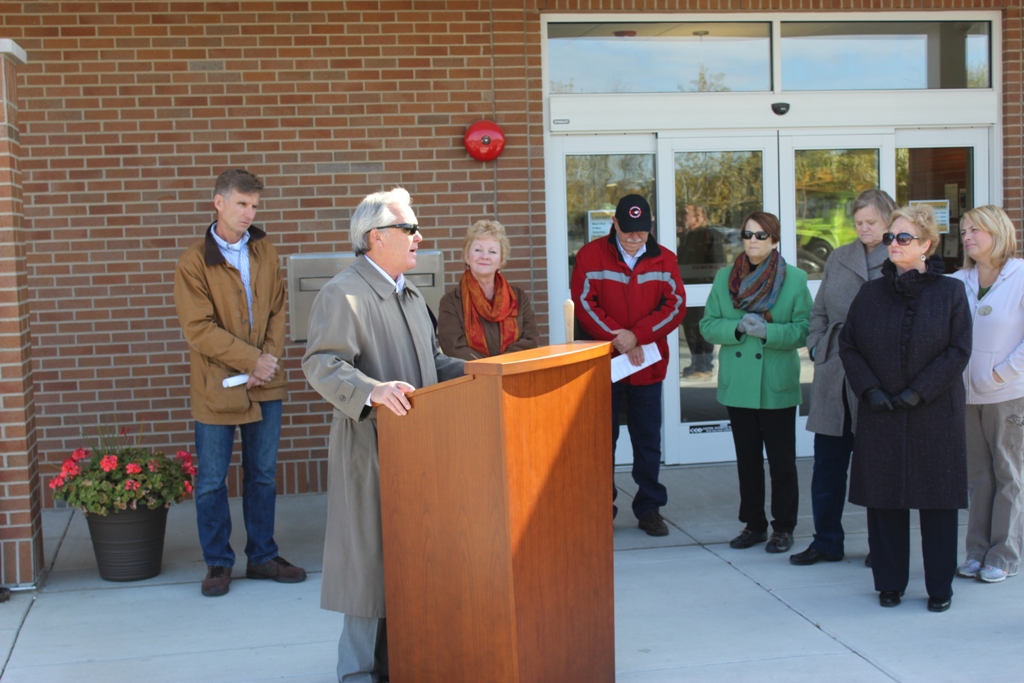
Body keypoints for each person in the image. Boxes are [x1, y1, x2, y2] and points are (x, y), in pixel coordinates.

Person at [302, 187, 464, 683]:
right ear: (376, 237)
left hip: (418, 453)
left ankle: (401, 665)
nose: (420, 237)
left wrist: (483, 372)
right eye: (409, 228)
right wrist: (372, 391)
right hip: (370, 452)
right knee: (369, 568)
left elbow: (432, 363)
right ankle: (356, 673)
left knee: (409, 563)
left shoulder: (410, 296)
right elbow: (322, 364)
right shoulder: (343, 294)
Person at [174, 169, 306, 597]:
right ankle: (218, 562)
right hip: (216, 386)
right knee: (213, 480)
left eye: (254, 205)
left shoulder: (265, 251)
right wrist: (252, 360)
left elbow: (278, 311)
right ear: (219, 202)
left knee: (262, 475)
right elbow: (199, 329)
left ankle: (263, 556)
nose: (249, 213)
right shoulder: (194, 261)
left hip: (265, 383)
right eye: (241, 204)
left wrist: (266, 362)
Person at [839, 204, 971, 612]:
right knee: (885, 501)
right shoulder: (870, 292)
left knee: (938, 501)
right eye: (890, 237)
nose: (893, 244)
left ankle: (939, 588)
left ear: (926, 245)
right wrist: (870, 390)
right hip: (881, 412)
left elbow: (958, 349)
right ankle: (890, 583)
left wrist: (920, 391)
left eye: (903, 237)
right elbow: (849, 345)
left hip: (935, 412)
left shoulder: (950, 292)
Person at [791, 189, 898, 566]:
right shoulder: (839, 256)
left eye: (871, 222)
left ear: (888, 221)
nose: (864, 228)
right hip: (834, 372)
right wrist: (817, 345)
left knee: (876, 469)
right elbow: (819, 310)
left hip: (878, 377)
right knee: (828, 465)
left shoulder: (900, 255)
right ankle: (826, 542)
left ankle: (881, 546)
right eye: (858, 222)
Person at [571, 194, 685, 537]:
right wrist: (618, 339)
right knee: (602, 440)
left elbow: (675, 306)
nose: (635, 238)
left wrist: (637, 336)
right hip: (605, 364)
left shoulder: (665, 259)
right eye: (628, 231)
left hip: (646, 364)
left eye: (642, 231)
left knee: (647, 440)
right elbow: (584, 304)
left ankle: (649, 508)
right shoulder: (590, 255)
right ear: (615, 224)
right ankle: (600, 507)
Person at [700, 211, 811, 554]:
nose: (752, 241)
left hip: (775, 383)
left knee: (781, 462)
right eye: (747, 234)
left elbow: (804, 329)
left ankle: (784, 527)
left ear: (774, 240)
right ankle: (754, 524)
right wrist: (735, 328)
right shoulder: (725, 278)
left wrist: (768, 331)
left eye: (761, 235)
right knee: (747, 460)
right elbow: (707, 325)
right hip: (739, 383)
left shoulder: (795, 279)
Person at [951, 205, 1024, 584]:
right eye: (964, 231)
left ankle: (1004, 555)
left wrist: (999, 374)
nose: (967, 237)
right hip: (966, 397)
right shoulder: (958, 280)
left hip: (1007, 395)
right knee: (978, 478)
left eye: (975, 230)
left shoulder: (1021, 276)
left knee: (1008, 475)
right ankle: (976, 551)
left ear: (998, 232)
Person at [437, 219, 540, 360]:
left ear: (501, 260)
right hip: (473, 374)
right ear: (467, 256)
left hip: (514, 372)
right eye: (478, 250)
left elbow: (530, 340)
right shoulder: (451, 303)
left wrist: (503, 365)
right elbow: (453, 348)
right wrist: (490, 368)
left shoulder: (519, 298)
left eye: (492, 251)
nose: (485, 256)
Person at [678, 204, 724, 379]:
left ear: (697, 218)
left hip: (703, 289)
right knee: (690, 328)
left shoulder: (709, 235)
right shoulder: (687, 236)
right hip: (688, 288)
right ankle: (696, 363)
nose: (682, 219)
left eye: (686, 215)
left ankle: (705, 366)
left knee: (701, 329)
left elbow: (716, 262)